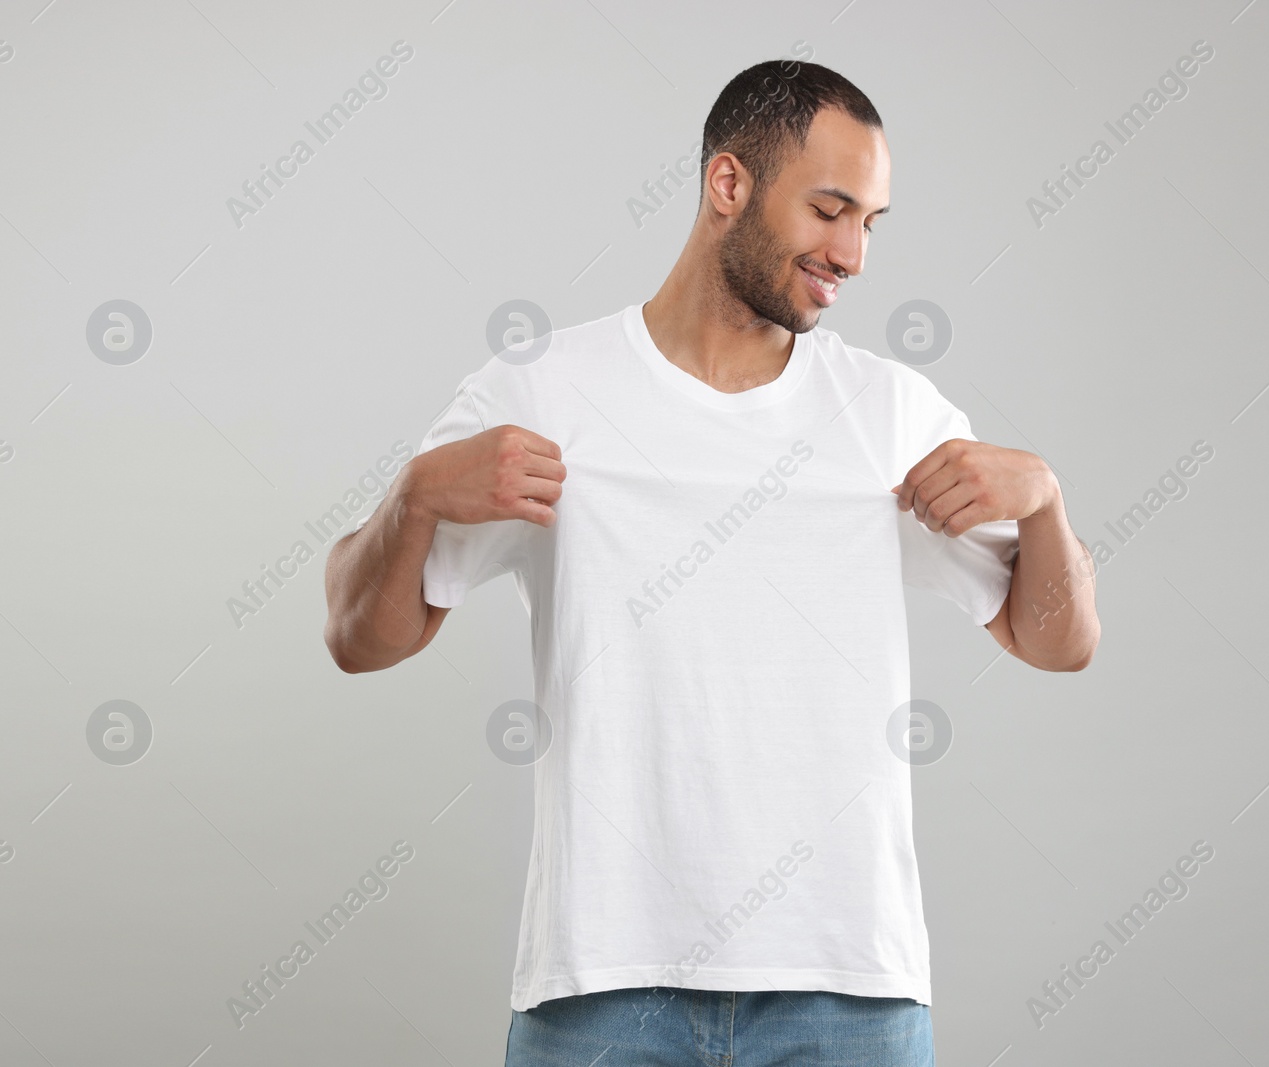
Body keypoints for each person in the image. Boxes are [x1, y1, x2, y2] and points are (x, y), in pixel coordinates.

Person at [323, 57, 1100, 1067]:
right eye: (830, 210)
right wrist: (415, 496)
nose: (854, 254)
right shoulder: (546, 389)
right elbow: (356, 637)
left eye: (871, 221)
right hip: (601, 983)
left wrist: (1042, 498)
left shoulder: (892, 415)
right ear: (727, 185)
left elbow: (1058, 644)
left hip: (847, 989)